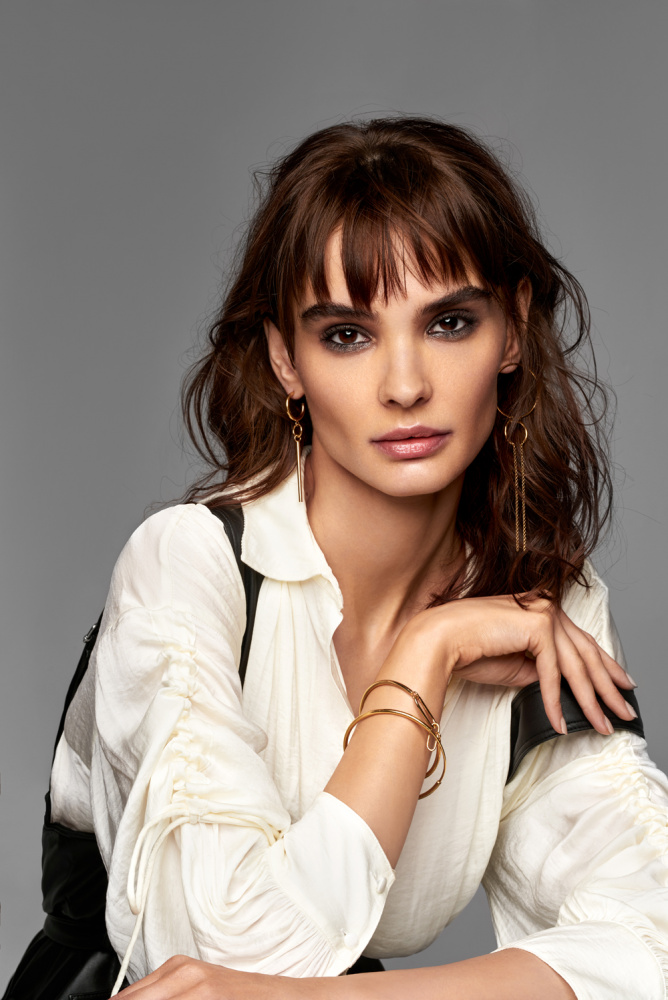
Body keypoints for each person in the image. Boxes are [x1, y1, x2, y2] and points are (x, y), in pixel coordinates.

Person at [48, 118, 668, 999]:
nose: (405, 385)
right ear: (284, 358)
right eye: (347, 334)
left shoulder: (538, 606)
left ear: (514, 330)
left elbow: (651, 942)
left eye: (449, 322)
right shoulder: (188, 565)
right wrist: (427, 654)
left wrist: (332, 999)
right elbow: (222, 956)